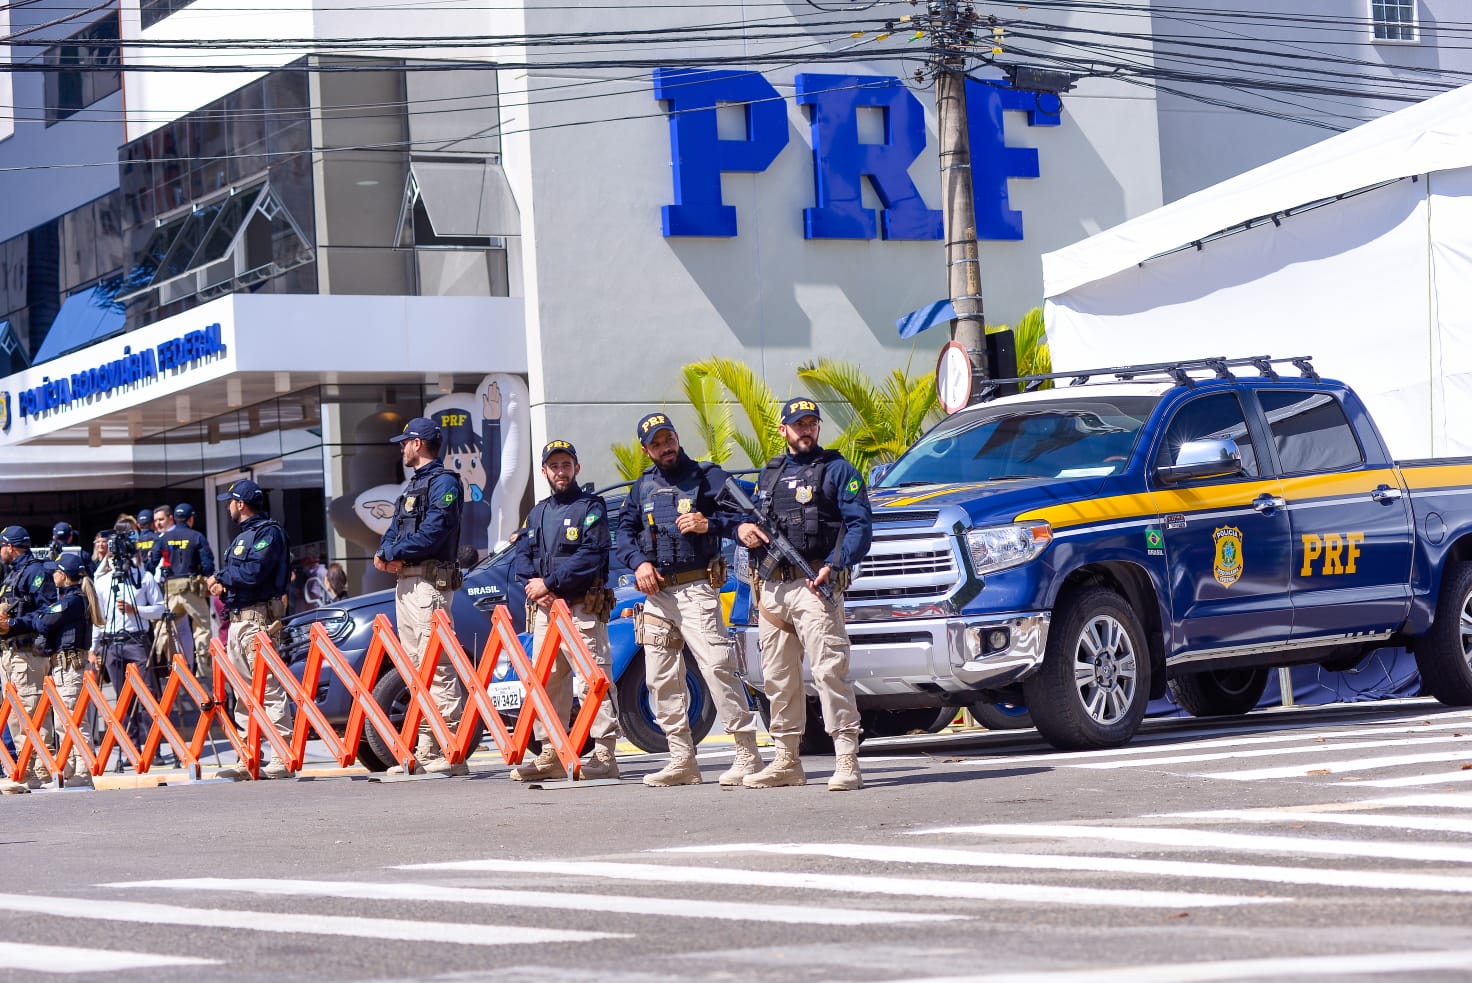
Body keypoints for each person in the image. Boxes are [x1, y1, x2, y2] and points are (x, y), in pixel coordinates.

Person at [616, 413, 763, 787]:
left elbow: (745, 516)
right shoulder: (642, 487)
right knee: (660, 678)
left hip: (696, 589)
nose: (665, 447)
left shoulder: (707, 476)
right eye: (657, 443)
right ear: (646, 449)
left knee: (716, 666)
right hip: (657, 595)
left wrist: (707, 524)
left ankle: (747, 751)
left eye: (669, 439)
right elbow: (625, 534)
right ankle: (682, 759)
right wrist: (639, 563)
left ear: (677, 438)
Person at [735, 398, 873, 792]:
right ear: (784, 430)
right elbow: (746, 521)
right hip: (772, 588)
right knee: (778, 678)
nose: (806, 430)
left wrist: (838, 562)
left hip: (816, 584)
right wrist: (742, 531)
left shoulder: (838, 470)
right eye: (798, 425)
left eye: (812, 423)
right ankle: (786, 760)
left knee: (830, 670)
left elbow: (861, 525)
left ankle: (846, 758)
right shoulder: (771, 474)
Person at [509, 440, 620, 782]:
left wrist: (550, 583)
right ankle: (551, 753)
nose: (560, 471)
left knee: (594, 681)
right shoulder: (538, 512)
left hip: (580, 609)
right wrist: (536, 585)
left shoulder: (592, 507)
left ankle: (604, 753)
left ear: (577, 468)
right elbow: (522, 555)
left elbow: (591, 556)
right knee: (548, 683)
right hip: (546, 611)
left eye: (566, 465)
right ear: (544, 470)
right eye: (554, 465)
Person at [375, 417, 467, 776]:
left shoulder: (444, 483)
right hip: (406, 584)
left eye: (405, 442)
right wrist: (386, 553)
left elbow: (433, 533)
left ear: (419, 443)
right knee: (416, 669)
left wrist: (395, 552)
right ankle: (428, 749)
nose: (401, 448)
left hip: (430, 584)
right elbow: (394, 529)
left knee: (438, 666)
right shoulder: (413, 487)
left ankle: (451, 750)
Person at [207, 479, 295, 781]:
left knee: (268, 689)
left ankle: (282, 757)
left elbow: (255, 572)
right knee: (243, 694)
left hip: (259, 620)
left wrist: (221, 576)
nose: (228, 507)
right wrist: (224, 583)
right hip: (239, 619)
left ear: (240, 504)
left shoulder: (268, 533)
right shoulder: (244, 536)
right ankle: (249, 757)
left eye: (230, 502)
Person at [12, 553, 103, 788]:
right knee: (64, 722)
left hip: (70, 667)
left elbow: (44, 623)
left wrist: (38, 616)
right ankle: (71, 771)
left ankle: (83, 772)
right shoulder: (73, 598)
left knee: (75, 721)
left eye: (56, 571)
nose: (52, 575)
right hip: (64, 667)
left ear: (64, 575)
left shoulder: (72, 600)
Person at [92, 524, 166, 760]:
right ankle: (130, 748)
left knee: (148, 695)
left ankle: (154, 748)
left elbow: (160, 609)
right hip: (111, 644)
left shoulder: (143, 577)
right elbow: (98, 619)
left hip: (137, 640)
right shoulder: (103, 581)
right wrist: (93, 649)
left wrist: (137, 610)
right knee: (122, 698)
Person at [0, 526, 59, 791]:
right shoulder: (11, 575)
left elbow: (46, 615)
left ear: (10, 546)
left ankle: (44, 771)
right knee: (14, 716)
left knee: (33, 712)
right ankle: (25, 773)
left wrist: (12, 623)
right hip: (9, 653)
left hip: (27, 654)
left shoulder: (36, 572)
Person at [157, 503, 216, 683]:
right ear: (191, 518)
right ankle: (204, 673)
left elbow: (152, 562)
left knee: (164, 629)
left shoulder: (164, 538)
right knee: (203, 628)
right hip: (192, 590)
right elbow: (208, 565)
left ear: (174, 518)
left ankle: (167, 671)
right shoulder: (196, 536)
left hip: (170, 590)